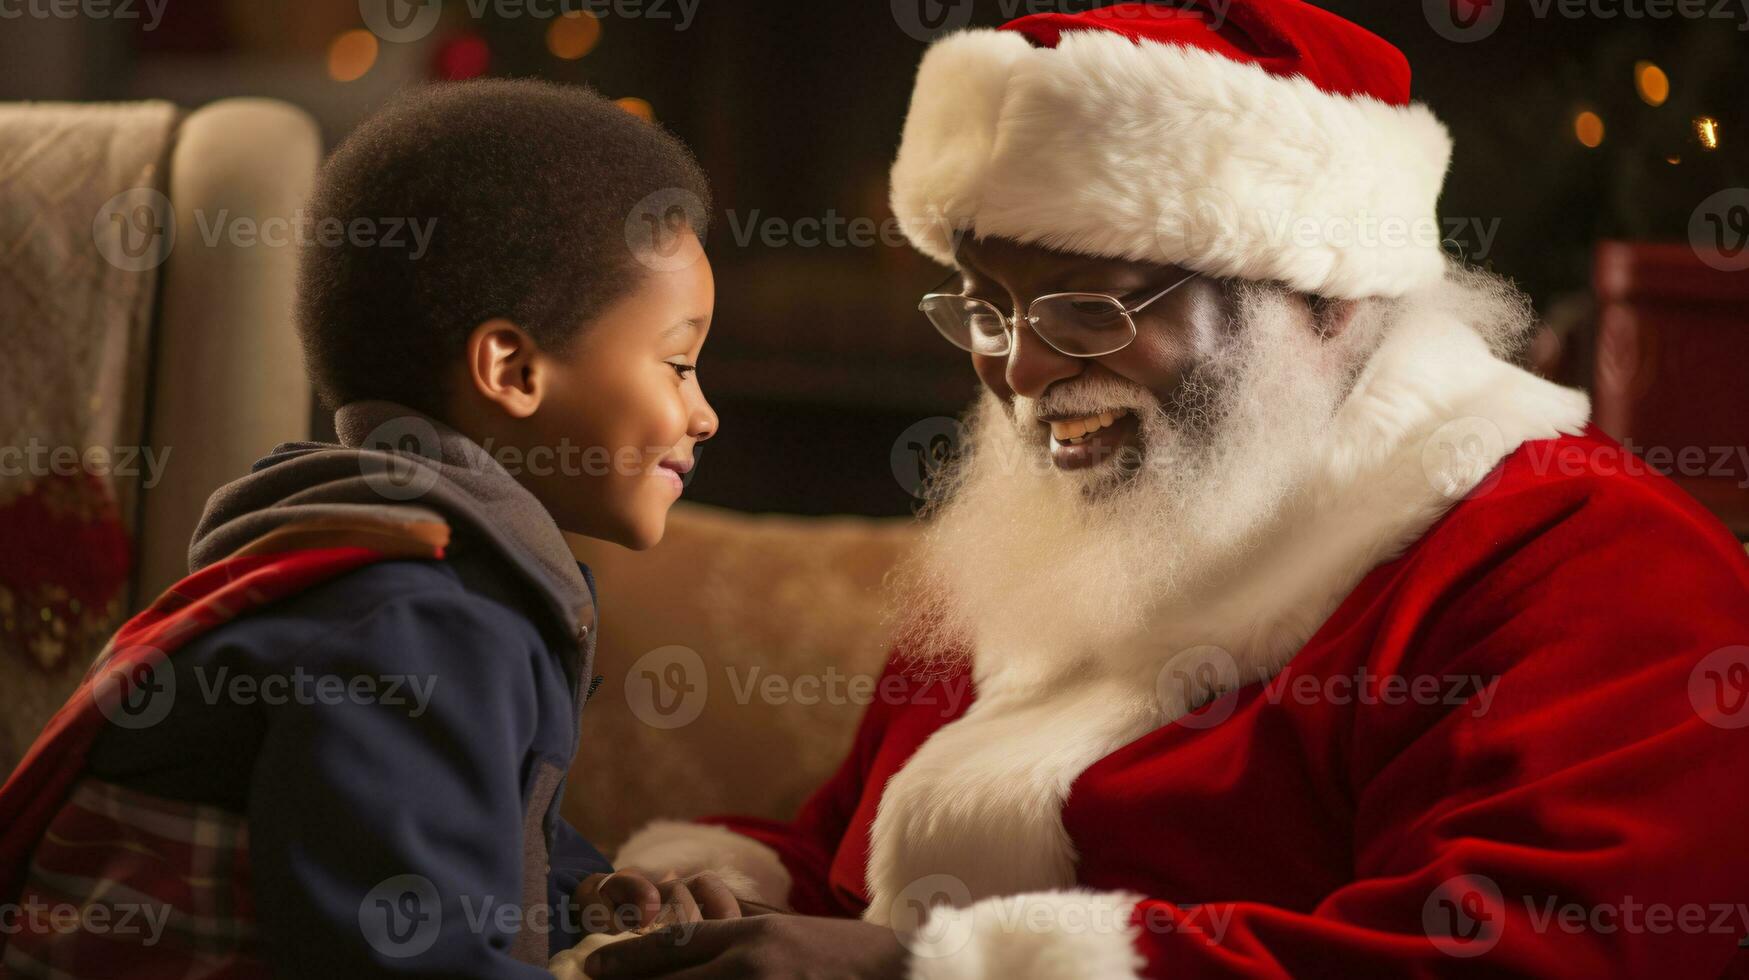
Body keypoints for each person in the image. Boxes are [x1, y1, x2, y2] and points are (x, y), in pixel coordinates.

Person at [578, 3, 1749, 978]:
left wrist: (917, 968)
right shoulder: (1063, 534)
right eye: (985, 305)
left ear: (1325, 300)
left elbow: (1534, 953)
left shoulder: (1580, 559)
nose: (1021, 369)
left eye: (1092, 307)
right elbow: (846, 854)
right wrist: (718, 891)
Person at [0, 79, 734, 977]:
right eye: (679, 364)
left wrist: (580, 892)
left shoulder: (399, 558)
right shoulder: (419, 620)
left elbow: (457, 832)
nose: (704, 416)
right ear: (510, 367)